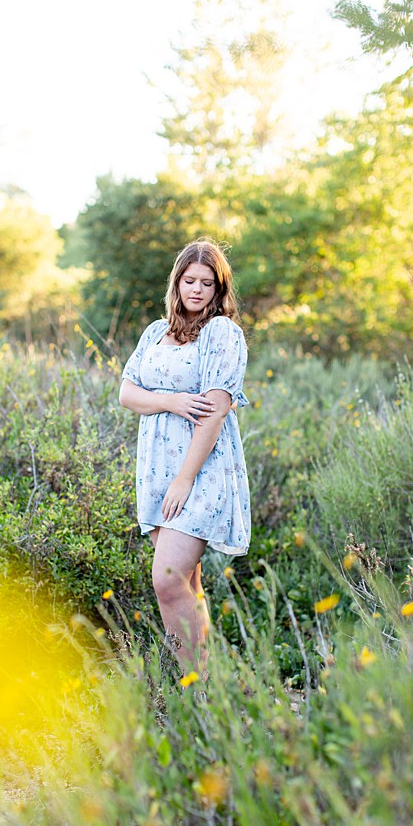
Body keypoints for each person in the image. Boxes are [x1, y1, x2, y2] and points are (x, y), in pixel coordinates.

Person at [119, 239, 251, 674]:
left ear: (219, 289)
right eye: (189, 280)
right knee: (188, 585)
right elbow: (127, 394)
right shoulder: (155, 333)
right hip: (156, 469)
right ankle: (206, 694)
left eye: (206, 283)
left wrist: (185, 479)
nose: (196, 290)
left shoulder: (223, 334)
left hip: (199, 470)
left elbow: (214, 410)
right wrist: (172, 401)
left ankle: (195, 684)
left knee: (168, 581)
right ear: (176, 282)